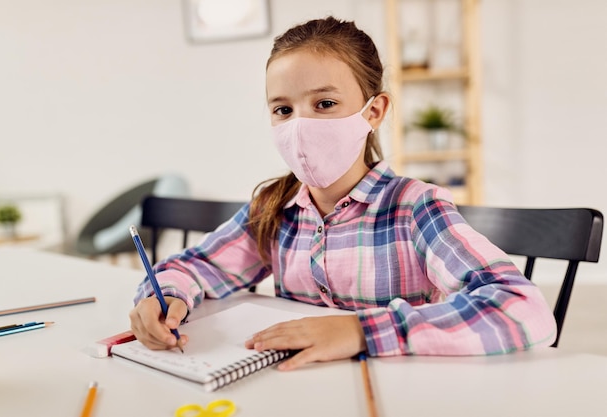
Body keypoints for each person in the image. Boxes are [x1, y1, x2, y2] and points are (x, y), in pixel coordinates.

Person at [129, 16, 556, 371]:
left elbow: (524, 309)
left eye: (325, 103)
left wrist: (359, 330)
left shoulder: (414, 207)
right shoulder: (273, 208)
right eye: (283, 109)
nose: (300, 125)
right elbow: (196, 266)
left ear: (373, 111)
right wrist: (162, 297)